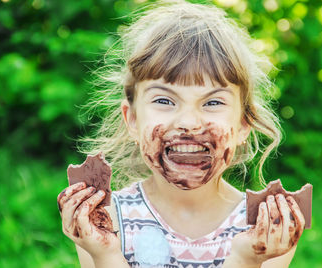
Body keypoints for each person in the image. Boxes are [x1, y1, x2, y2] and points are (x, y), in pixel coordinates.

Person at [57, 1, 306, 267]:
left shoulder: (265, 229)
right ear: (132, 119)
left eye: (212, 103)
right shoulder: (105, 220)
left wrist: (247, 259)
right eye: (164, 101)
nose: (189, 123)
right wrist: (104, 254)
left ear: (244, 125)